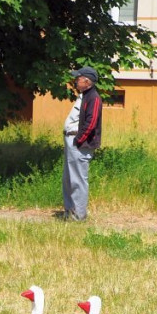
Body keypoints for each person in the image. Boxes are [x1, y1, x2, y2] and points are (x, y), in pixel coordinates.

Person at [61, 66, 102, 222]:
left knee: (78, 180)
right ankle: (69, 212)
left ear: (87, 80)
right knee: (68, 179)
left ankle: (78, 216)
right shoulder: (84, 95)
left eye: (78, 79)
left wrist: (78, 140)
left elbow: (91, 123)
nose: (75, 81)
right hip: (72, 142)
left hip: (80, 145)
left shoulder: (94, 98)